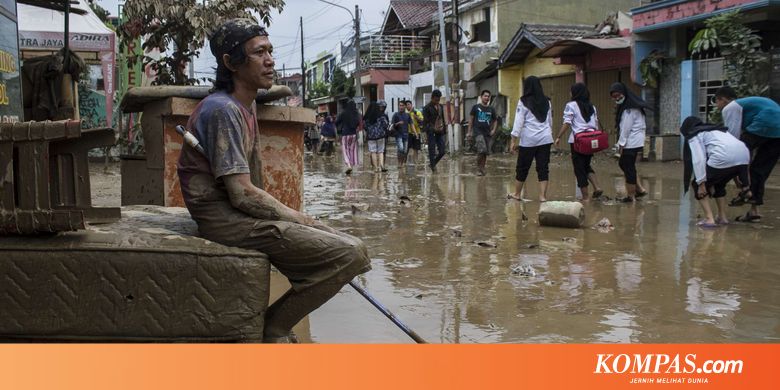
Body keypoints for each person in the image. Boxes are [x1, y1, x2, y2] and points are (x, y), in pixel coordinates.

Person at [176, 19, 370, 343]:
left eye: (270, 50)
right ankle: (274, 326)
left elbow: (254, 182)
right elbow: (242, 195)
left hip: (233, 213)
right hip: (223, 218)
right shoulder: (223, 110)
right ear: (230, 62)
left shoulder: (245, 103)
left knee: (336, 242)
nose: (270, 60)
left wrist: (304, 225)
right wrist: (303, 220)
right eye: (258, 53)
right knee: (353, 253)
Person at [715, 86, 780, 222]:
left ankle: (744, 188)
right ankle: (753, 211)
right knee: (759, 170)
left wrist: (738, 176)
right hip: (777, 131)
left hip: (764, 121)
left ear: (722, 99)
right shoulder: (745, 105)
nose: (717, 106)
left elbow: (732, 140)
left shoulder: (730, 107)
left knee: (738, 151)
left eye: (717, 102)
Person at [681, 116, 751, 227]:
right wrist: (738, 179)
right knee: (719, 183)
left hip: (723, 157)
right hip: (744, 156)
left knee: (697, 185)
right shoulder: (718, 130)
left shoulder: (695, 134)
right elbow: (732, 153)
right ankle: (722, 217)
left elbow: (699, 159)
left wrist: (701, 183)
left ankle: (709, 219)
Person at [554, 83, 604, 201]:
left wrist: (558, 136)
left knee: (579, 168)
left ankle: (585, 197)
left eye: (571, 91)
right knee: (586, 165)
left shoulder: (571, 105)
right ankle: (597, 187)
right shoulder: (592, 106)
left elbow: (567, 122)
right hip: (591, 140)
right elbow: (595, 124)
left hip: (578, 141)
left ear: (575, 93)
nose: (570, 93)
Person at [508, 76, 553, 202]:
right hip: (545, 138)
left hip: (529, 140)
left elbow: (518, 122)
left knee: (522, 167)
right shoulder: (547, 101)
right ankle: (542, 196)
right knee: (543, 167)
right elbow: (550, 121)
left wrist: (513, 140)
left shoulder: (523, 101)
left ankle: (517, 194)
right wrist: (550, 134)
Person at [610, 82, 650, 202]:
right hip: (634, 141)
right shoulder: (631, 105)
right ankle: (640, 189)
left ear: (624, 94)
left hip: (631, 142)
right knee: (625, 164)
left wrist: (620, 145)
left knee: (628, 167)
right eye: (614, 97)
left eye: (618, 95)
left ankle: (631, 196)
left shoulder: (629, 110)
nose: (617, 99)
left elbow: (626, 129)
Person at [468, 90, 498, 176]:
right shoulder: (476, 107)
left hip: (487, 133)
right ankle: (478, 168)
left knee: (485, 152)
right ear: (481, 97)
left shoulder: (491, 109)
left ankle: (482, 168)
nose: (487, 98)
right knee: (482, 150)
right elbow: (471, 120)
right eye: (485, 96)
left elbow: (495, 121)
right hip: (478, 132)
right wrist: (469, 132)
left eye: (488, 96)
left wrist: (493, 130)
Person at [423, 90, 448, 172]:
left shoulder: (440, 106)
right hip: (431, 132)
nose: (437, 101)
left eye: (438, 100)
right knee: (432, 150)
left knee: (442, 151)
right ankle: (433, 167)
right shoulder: (427, 108)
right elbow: (425, 122)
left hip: (440, 131)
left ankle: (433, 163)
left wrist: (444, 130)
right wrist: (426, 134)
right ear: (432, 98)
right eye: (436, 100)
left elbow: (443, 119)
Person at [336, 99, 362, 175]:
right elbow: (358, 123)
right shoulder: (356, 113)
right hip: (353, 134)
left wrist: (339, 127)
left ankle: (348, 165)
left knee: (345, 150)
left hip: (345, 134)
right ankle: (352, 166)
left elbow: (337, 122)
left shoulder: (344, 113)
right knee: (352, 150)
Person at [364, 100, 390, 173]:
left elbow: (365, 127)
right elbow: (386, 124)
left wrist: (370, 131)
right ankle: (381, 165)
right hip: (381, 136)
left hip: (371, 136)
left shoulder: (367, 117)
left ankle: (375, 168)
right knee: (381, 151)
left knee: (373, 152)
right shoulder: (381, 116)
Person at [391, 101, 412, 167]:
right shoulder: (395, 114)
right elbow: (392, 125)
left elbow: (411, 124)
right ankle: (399, 163)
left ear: (405, 106)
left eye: (402, 105)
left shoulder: (407, 115)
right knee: (401, 148)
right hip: (398, 135)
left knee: (405, 151)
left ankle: (402, 163)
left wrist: (416, 133)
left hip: (406, 135)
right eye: (400, 105)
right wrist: (398, 123)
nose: (401, 107)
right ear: (398, 106)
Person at [405, 100, 424, 166]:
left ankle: (416, 162)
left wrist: (416, 117)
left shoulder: (417, 112)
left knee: (416, 148)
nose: (408, 106)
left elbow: (422, 121)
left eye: (409, 104)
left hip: (417, 132)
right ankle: (404, 162)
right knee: (407, 148)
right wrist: (410, 112)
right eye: (406, 105)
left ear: (411, 104)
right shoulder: (405, 113)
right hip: (408, 133)